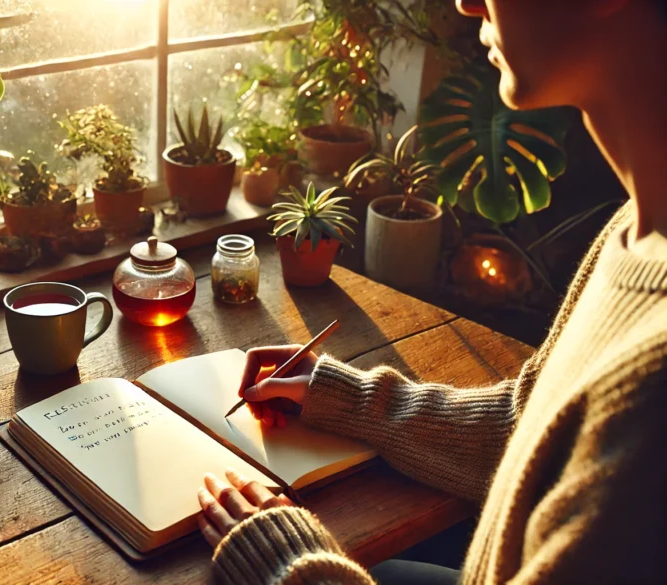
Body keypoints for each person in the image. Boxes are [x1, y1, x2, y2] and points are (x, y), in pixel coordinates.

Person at [197, 1, 667, 583]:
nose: (466, 3)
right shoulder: (638, 229)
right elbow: (532, 428)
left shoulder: (655, 380)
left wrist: (293, 568)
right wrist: (354, 400)